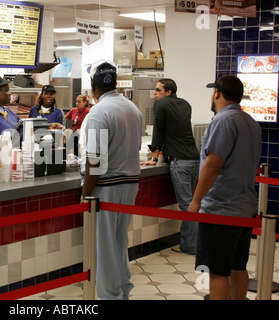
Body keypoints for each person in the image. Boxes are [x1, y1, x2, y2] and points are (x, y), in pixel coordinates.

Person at [188, 75, 261, 300]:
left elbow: (213, 164)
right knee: (238, 267)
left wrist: (196, 200)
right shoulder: (251, 122)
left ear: (217, 93)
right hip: (244, 208)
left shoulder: (222, 120)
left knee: (217, 272)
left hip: (220, 210)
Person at [81, 59, 142, 300]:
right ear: (116, 83)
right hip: (130, 184)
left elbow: (95, 160)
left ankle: (109, 296)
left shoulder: (98, 112)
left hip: (106, 188)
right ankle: (123, 291)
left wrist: (86, 193)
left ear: (92, 86)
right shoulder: (132, 108)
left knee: (104, 247)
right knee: (118, 242)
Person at [141, 78, 200, 254]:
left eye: (158, 90)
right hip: (194, 158)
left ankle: (190, 246)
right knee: (193, 204)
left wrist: (154, 156)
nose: (154, 93)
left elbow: (158, 129)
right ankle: (196, 243)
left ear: (168, 92)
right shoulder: (185, 104)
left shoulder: (162, 104)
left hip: (179, 161)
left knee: (187, 206)